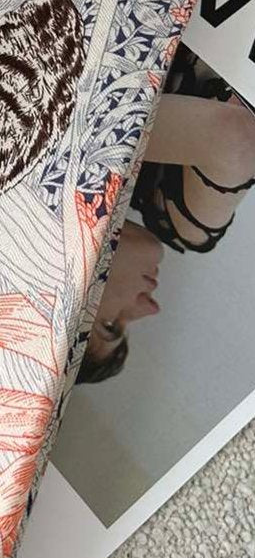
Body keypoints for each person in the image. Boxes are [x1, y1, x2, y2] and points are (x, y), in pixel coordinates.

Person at [79, 52, 255, 384]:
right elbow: (238, 138)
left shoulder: (180, 221)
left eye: (110, 325)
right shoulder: (171, 215)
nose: (149, 309)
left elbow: (237, 138)